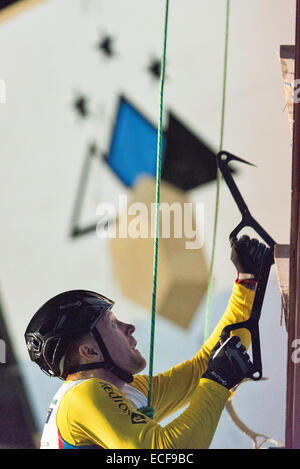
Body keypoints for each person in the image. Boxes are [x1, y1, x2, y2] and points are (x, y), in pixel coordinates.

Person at [25, 235, 270, 449]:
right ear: (89, 351)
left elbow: (203, 368)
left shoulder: (121, 392)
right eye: (113, 324)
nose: (129, 328)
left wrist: (247, 283)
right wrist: (217, 382)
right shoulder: (85, 394)